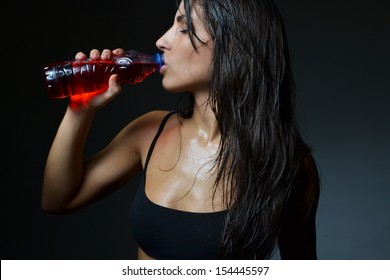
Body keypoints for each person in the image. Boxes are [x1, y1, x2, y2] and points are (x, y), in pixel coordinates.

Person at [42, 0, 320, 260]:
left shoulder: (288, 166)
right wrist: (81, 110)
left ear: (234, 46)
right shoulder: (150, 131)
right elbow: (58, 199)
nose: (161, 41)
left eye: (184, 28)